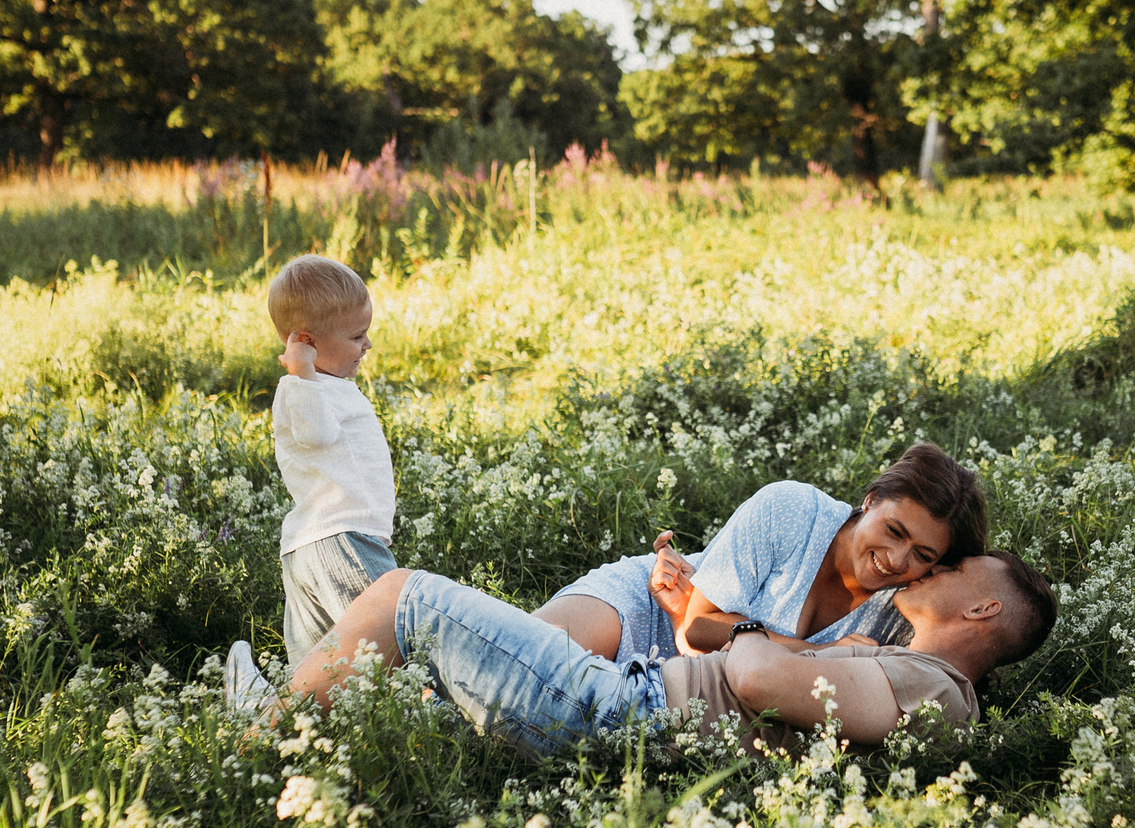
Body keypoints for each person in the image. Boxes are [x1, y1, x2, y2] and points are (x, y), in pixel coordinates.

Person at [290, 551, 1057, 757]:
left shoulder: (939, 692)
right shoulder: (923, 681)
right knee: (415, 698)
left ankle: (259, 730)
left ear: (983, 607)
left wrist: (734, 629)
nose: (928, 572)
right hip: (631, 702)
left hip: (623, 712)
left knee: (402, 595)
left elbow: (756, 677)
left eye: (951, 571)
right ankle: (290, 718)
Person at [535, 443, 989, 665]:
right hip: (655, 603)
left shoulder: (910, 605)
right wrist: (820, 652)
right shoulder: (791, 509)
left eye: (922, 554)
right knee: (533, 656)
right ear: (870, 499)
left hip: (707, 695)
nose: (895, 559)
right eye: (894, 531)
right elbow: (697, 626)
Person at [226, 255, 396, 708]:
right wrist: (300, 372)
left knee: (325, 672)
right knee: (390, 645)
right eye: (357, 337)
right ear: (306, 342)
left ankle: (264, 709)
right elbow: (318, 434)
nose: (367, 345)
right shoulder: (300, 389)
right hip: (341, 538)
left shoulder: (324, 386)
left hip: (318, 542)